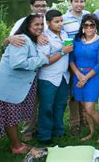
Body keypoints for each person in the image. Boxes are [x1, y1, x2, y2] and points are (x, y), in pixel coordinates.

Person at [0, 14, 50, 154]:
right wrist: (42, 59)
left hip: (10, 87)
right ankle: (17, 147)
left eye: (41, 24)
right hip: (4, 86)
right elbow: (17, 63)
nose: (40, 27)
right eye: (36, 24)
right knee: (10, 116)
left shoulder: (29, 39)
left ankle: (16, 143)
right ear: (27, 26)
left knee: (10, 116)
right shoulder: (22, 39)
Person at [69, 14, 99, 143]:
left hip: (92, 77)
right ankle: (91, 132)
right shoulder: (77, 40)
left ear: (96, 26)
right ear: (82, 26)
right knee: (83, 107)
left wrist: (85, 78)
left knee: (90, 108)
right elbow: (71, 60)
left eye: (92, 25)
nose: (89, 28)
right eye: (86, 25)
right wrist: (78, 75)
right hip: (77, 77)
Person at [36, 10, 74, 144]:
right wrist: (63, 52)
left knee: (60, 105)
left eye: (61, 21)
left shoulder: (64, 34)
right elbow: (45, 62)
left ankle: (59, 130)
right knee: (46, 107)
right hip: (48, 78)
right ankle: (44, 135)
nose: (60, 24)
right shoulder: (44, 38)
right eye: (56, 22)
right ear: (48, 23)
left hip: (64, 76)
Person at [62, 0, 89, 135]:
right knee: (73, 92)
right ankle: (74, 123)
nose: (79, 4)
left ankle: (85, 118)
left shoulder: (88, 15)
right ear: (70, 2)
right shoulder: (64, 19)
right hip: (71, 61)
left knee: (84, 90)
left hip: (86, 60)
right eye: (76, 1)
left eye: (81, 1)